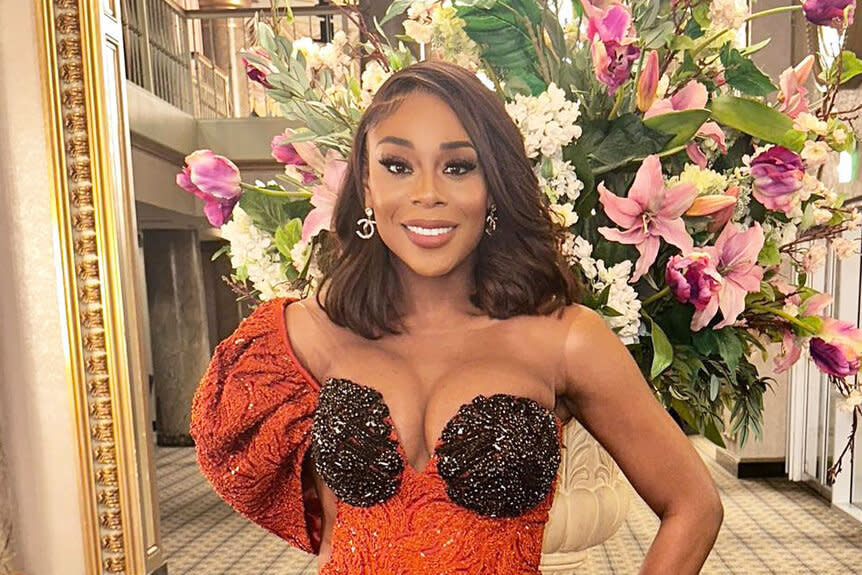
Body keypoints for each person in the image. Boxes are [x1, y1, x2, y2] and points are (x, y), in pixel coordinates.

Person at [190, 60, 723, 574]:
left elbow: (693, 505)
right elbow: (332, 540)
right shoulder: (313, 333)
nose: (427, 194)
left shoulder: (565, 340)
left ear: (492, 185)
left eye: (458, 167)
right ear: (367, 186)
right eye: (398, 166)